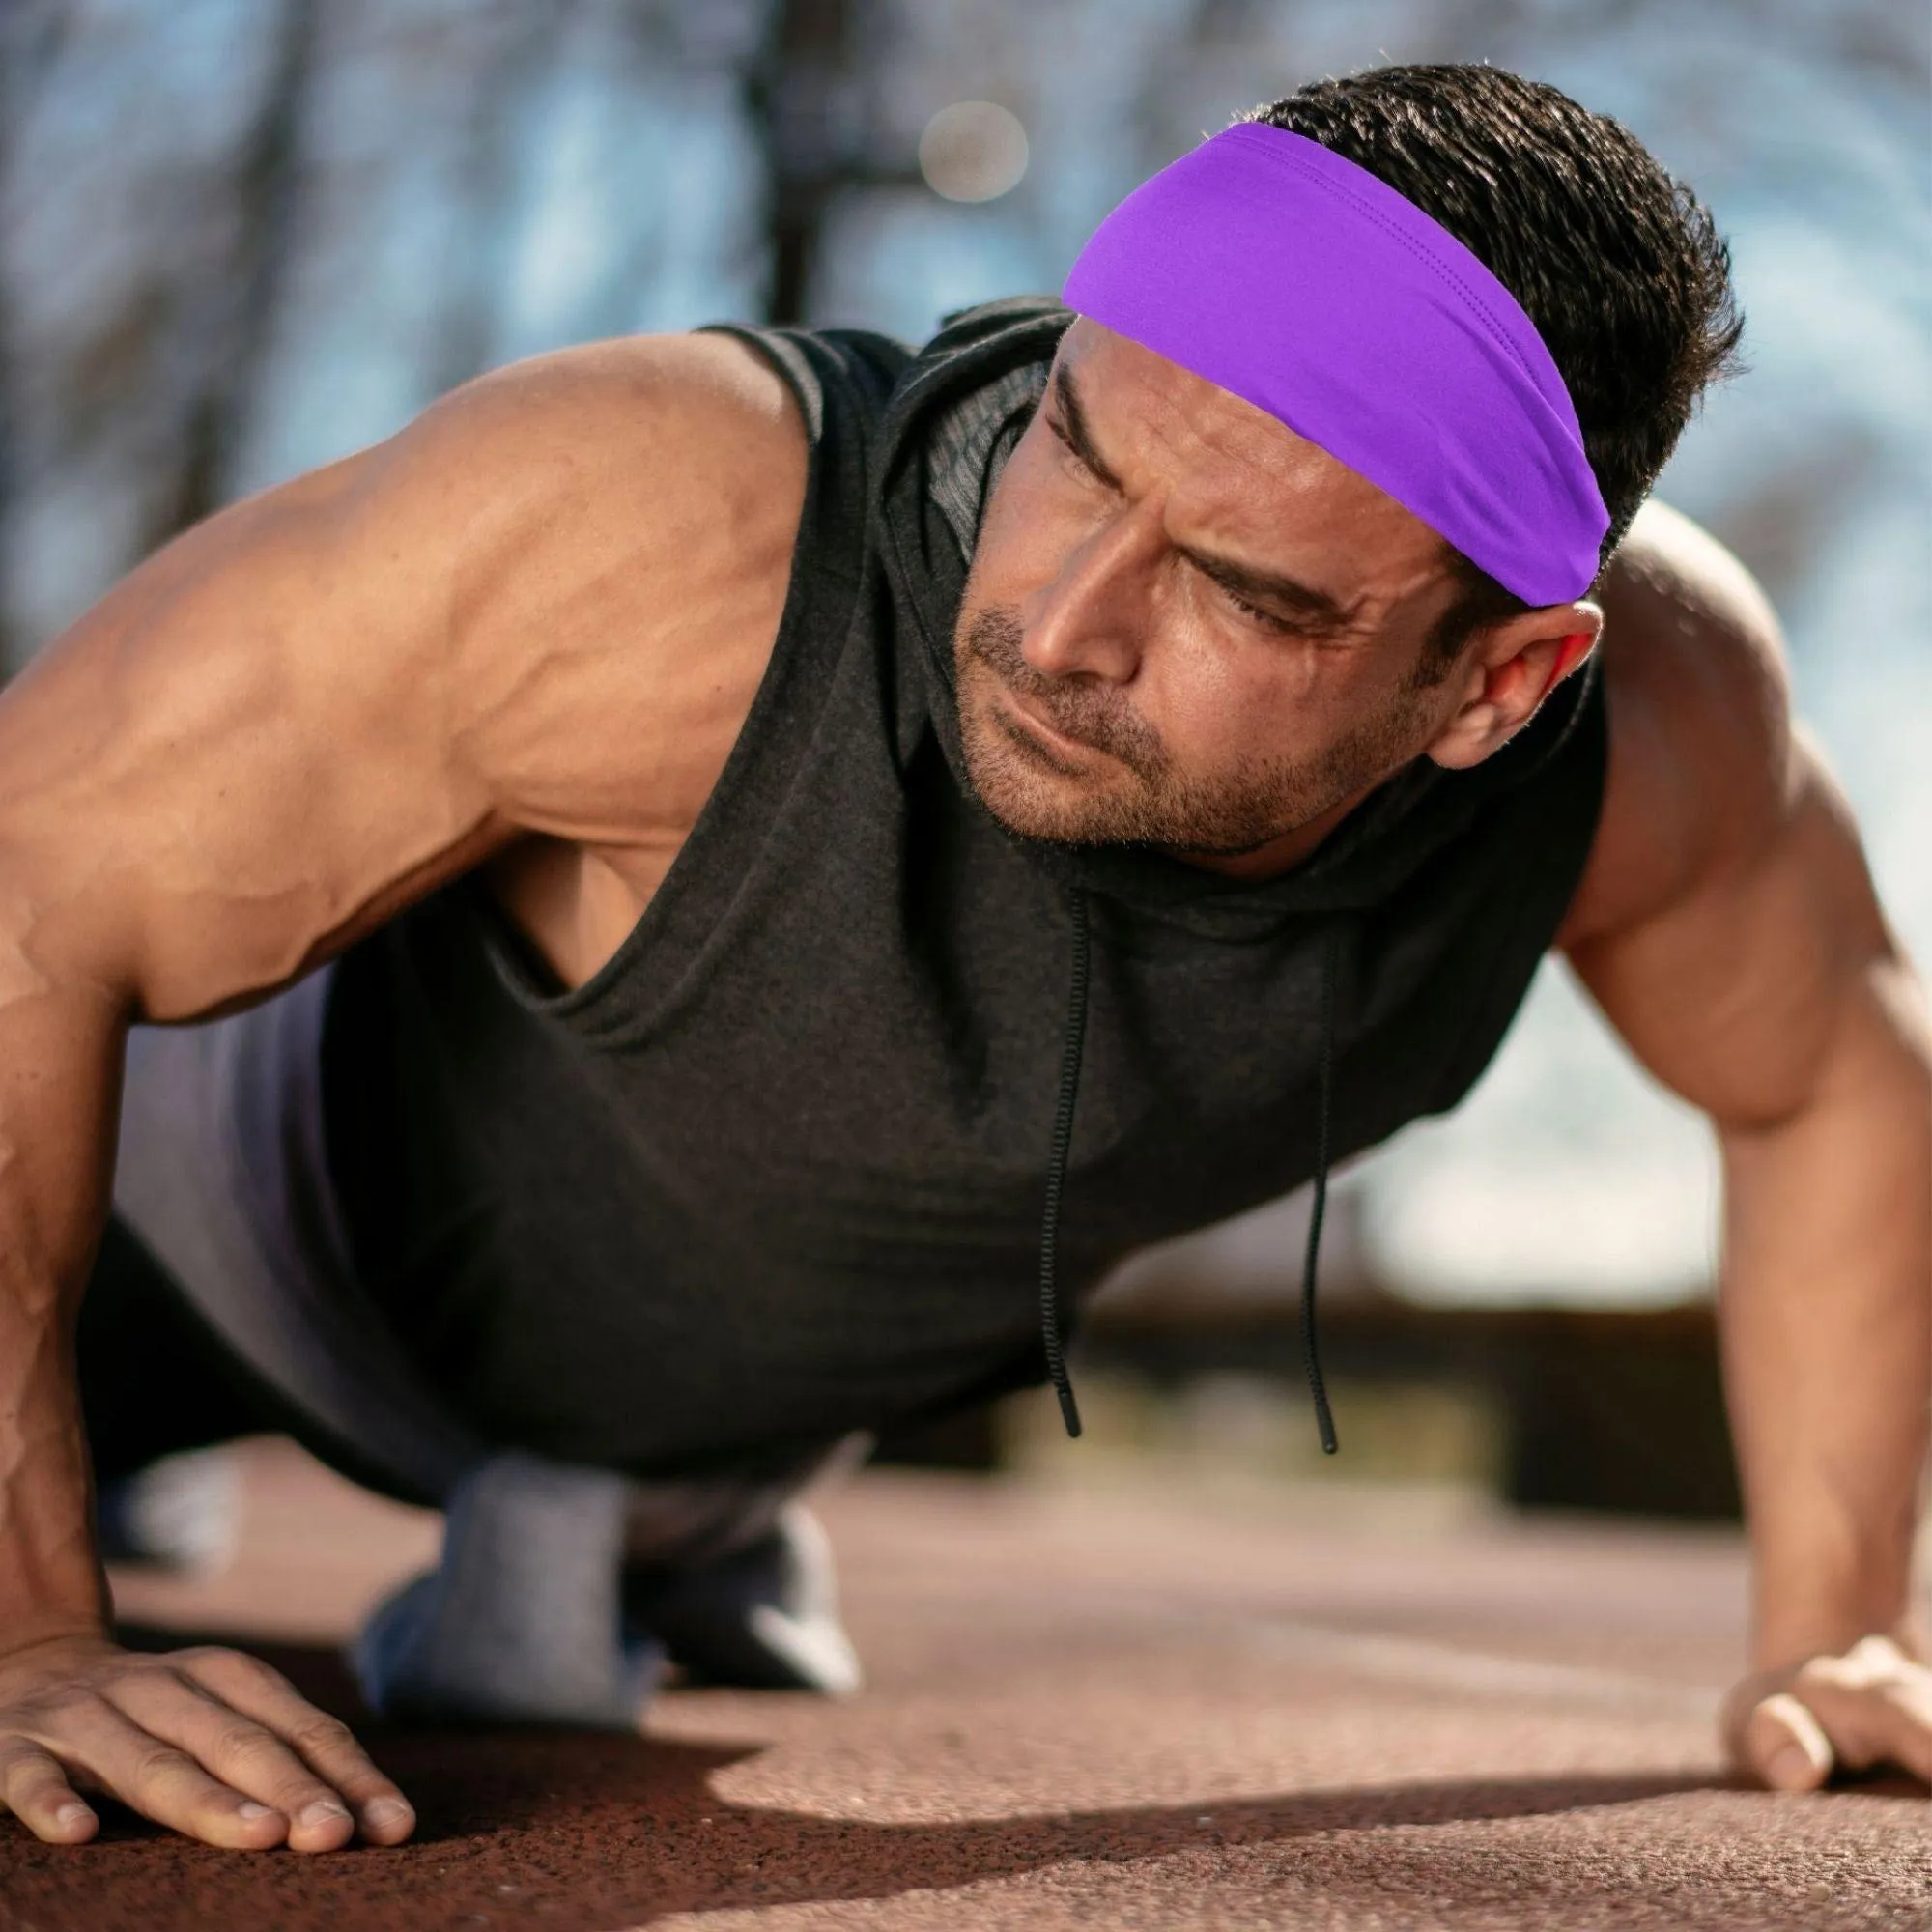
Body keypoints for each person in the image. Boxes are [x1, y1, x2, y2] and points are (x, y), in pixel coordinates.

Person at [1, 61, 1927, 1857]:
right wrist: (29, 1630)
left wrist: (1833, 1628)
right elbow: (34, 866)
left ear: (1499, 683)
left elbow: (1833, 1070)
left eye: (1245, 591)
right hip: (206, 1237)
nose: (1063, 620)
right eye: (1077, 454)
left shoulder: (1660, 733)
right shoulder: (659, 527)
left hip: (694, 1435)